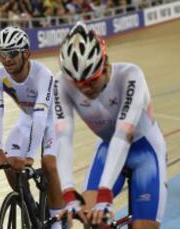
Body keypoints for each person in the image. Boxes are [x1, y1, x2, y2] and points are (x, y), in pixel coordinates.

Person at [54, 22, 167, 229]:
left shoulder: (131, 76)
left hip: (145, 152)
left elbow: (123, 135)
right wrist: (69, 192)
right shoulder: (61, 83)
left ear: (105, 64)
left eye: (91, 80)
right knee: (91, 220)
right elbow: (63, 138)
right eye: (78, 85)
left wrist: (105, 194)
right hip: (107, 150)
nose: (85, 88)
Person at [0, 26, 64, 229]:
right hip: (27, 119)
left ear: (26, 53)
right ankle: (32, 208)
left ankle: (57, 224)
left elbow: (41, 115)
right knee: (9, 164)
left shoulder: (42, 75)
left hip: (50, 119)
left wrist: (29, 156)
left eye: (11, 53)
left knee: (49, 165)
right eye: (2, 53)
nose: (6, 59)